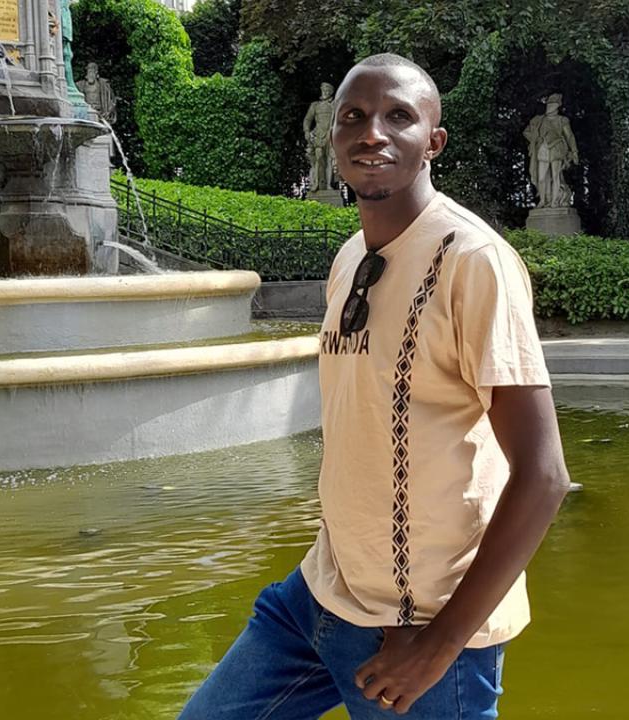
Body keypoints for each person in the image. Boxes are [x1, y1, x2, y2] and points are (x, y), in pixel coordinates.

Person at [179, 53, 571, 719]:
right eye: (353, 118)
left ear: (433, 142)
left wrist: (441, 644)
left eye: (398, 117)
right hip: (317, 599)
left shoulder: (474, 264)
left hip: (421, 631)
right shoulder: (350, 257)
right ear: (333, 140)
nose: (372, 133)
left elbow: (544, 475)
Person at [303, 82, 337, 193]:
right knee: (318, 159)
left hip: (331, 135)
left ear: (331, 92)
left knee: (330, 160)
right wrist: (307, 131)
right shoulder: (315, 105)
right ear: (321, 90)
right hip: (318, 135)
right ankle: (316, 183)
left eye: (328, 90)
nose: (326, 91)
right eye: (324, 89)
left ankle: (328, 185)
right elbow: (308, 119)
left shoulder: (335, 105)